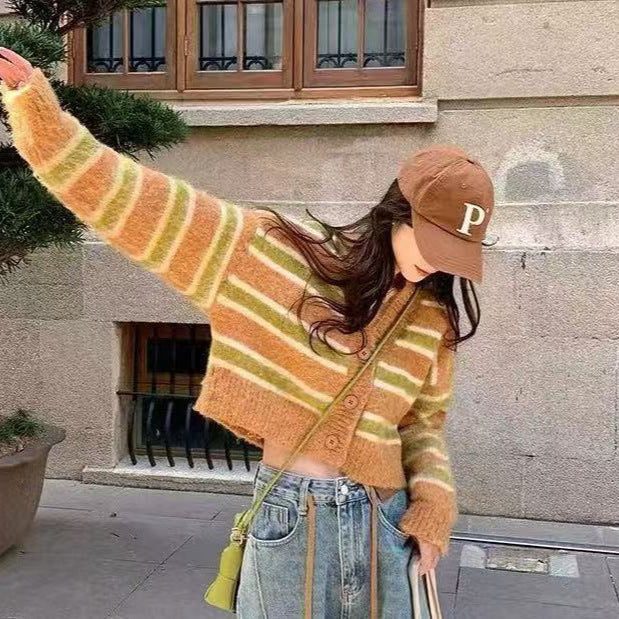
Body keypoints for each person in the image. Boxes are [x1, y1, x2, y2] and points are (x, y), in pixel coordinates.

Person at [0, 48, 495, 618]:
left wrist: (432, 512)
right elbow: (135, 202)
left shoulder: (431, 320)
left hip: (384, 523)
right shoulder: (271, 255)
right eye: (433, 243)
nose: (438, 264)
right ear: (396, 212)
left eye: (455, 253)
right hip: (292, 516)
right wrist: (37, 110)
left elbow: (423, 427)